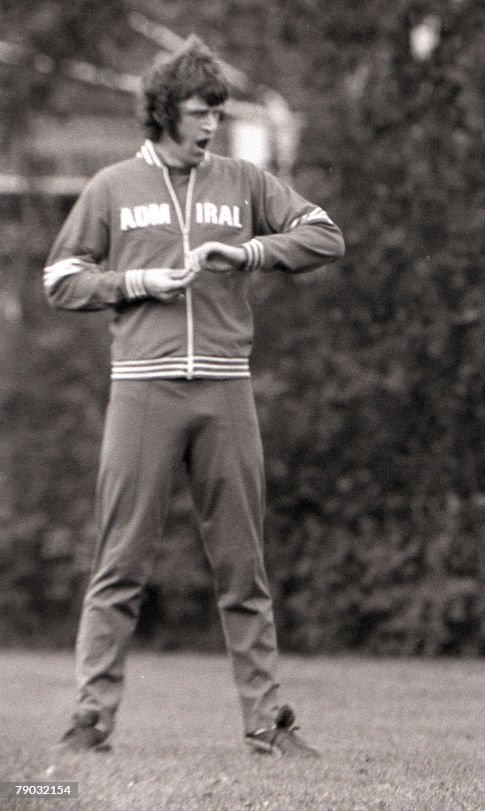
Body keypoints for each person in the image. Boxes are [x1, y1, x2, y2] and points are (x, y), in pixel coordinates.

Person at [44, 35, 345, 756]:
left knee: (244, 566)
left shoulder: (242, 180)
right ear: (162, 111)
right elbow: (58, 280)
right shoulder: (112, 187)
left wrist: (245, 252)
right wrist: (137, 283)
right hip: (141, 391)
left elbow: (324, 236)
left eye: (216, 111)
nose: (211, 124)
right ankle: (90, 718)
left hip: (225, 388)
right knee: (120, 563)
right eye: (198, 111)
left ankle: (268, 724)